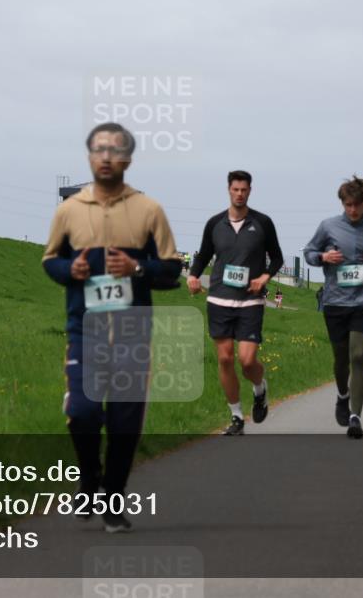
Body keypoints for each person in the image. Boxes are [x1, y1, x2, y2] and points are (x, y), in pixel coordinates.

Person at [42, 122, 181, 533]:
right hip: (85, 330)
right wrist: (71, 269)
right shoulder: (68, 211)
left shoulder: (149, 210)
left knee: (124, 422)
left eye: (115, 151)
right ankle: (90, 478)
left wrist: (138, 267)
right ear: (89, 157)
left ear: (128, 160)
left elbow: (172, 269)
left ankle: (113, 499)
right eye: (98, 150)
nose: (106, 157)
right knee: (82, 411)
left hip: (133, 332)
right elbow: (50, 261)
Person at [188, 170, 284, 436]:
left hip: (250, 300)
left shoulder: (262, 223)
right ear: (229, 190)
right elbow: (204, 254)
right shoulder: (215, 223)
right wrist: (193, 276)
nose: (239, 194)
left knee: (247, 360)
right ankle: (237, 416)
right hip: (219, 297)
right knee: (225, 358)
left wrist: (264, 277)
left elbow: (277, 257)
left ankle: (259, 389)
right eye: (235, 189)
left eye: (244, 190)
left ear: (250, 191)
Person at [304, 175, 363, 440]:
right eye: (348, 205)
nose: (353, 210)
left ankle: (356, 417)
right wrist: (324, 256)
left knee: (358, 355)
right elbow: (309, 252)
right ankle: (342, 395)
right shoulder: (328, 226)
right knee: (341, 358)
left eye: (357, 204)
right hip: (335, 301)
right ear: (342, 204)